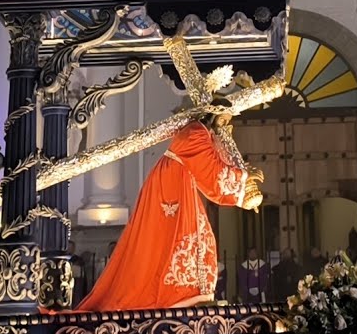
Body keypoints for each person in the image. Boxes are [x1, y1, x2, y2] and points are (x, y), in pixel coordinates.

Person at [75, 110, 264, 311]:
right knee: (183, 239)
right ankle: (180, 294)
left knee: (198, 238)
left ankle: (188, 294)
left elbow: (218, 162)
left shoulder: (203, 133)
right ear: (212, 114)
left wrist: (243, 177)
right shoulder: (195, 133)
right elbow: (211, 172)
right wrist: (242, 180)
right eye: (224, 118)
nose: (225, 124)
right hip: (171, 188)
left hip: (179, 183)